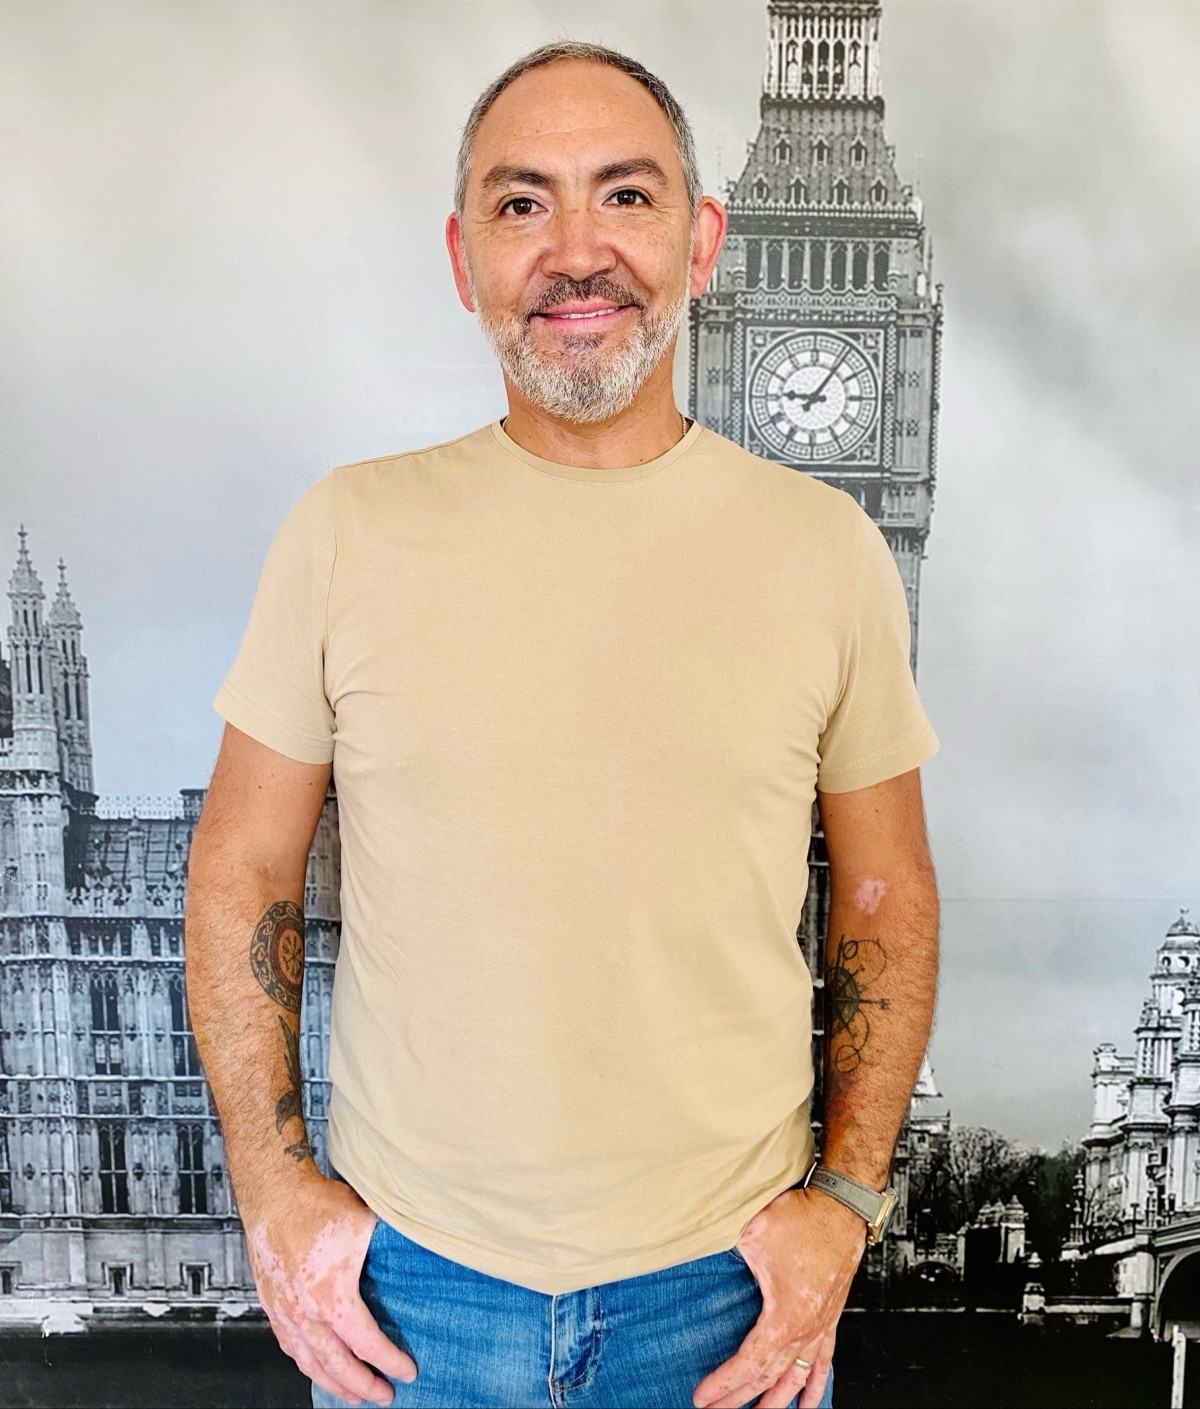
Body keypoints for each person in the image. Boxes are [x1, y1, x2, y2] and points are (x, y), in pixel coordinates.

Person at [184, 39, 940, 1409]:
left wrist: (844, 1204)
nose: (577, 251)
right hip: (412, 1299)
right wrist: (271, 1186)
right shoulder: (345, 531)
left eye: (626, 197)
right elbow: (240, 867)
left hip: (725, 1301)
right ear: (463, 257)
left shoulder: (828, 550)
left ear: (704, 245)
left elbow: (884, 893)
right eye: (523, 202)